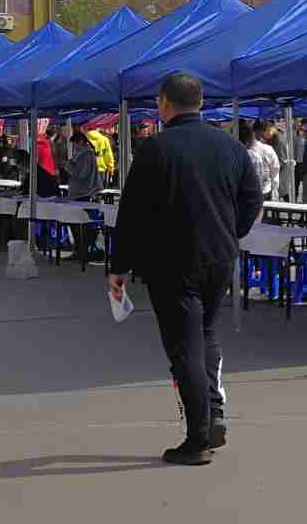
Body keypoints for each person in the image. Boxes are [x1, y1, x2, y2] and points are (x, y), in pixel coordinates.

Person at [109, 71, 263, 466]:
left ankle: (198, 437)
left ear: (164, 103)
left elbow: (133, 212)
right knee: (206, 334)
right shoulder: (230, 146)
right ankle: (213, 411)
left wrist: (119, 265)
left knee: (184, 347)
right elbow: (252, 199)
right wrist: (230, 232)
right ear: (201, 103)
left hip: (171, 261)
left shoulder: (155, 149)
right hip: (219, 257)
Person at [66, 127, 103, 262]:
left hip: (83, 194)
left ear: (81, 142)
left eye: (75, 144)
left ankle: (83, 251)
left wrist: (69, 166)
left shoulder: (86, 155)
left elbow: (82, 175)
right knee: (76, 223)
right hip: (80, 193)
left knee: (80, 224)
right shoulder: (83, 154)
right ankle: (80, 250)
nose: (74, 147)